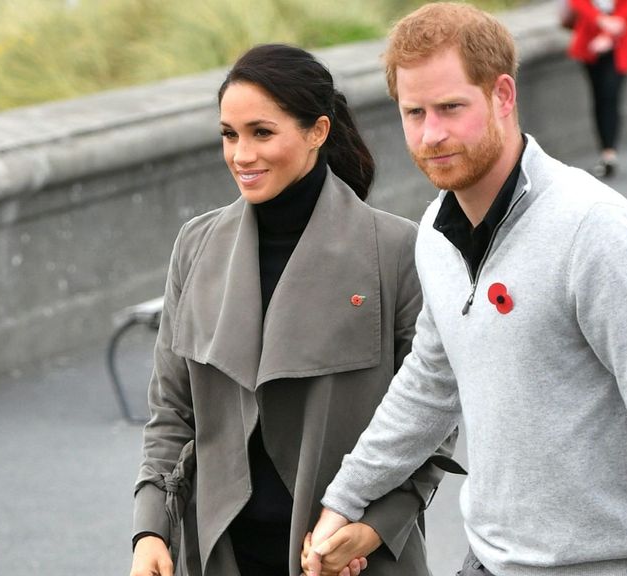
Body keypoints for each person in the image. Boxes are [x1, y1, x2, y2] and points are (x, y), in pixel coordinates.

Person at [306, 3, 627, 576]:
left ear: (503, 95)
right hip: (488, 561)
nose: (432, 134)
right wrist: (343, 500)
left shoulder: (592, 227)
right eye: (414, 112)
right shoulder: (434, 231)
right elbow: (429, 384)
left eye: (451, 107)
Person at [130, 43, 451, 576]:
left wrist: (372, 528)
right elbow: (172, 410)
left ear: (317, 132)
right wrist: (149, 530)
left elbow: (434, 420)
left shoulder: (396, 250)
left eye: (262, 132)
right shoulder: (197, 245)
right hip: (222, 553)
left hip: (350, 558)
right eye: (229, 135)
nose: (241, 154)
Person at [567, 0, 627, 178]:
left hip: (619, 43)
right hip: (589, 40)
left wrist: (608, 33)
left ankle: (610, 154)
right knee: (598, 97)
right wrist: (600, 20)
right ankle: (605, 151)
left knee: (610, 95)